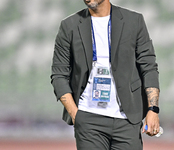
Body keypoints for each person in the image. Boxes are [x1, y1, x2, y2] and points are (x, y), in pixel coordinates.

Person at [51, 0, 160, 149]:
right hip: (88, 118)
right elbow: (59, 74)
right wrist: (76, 115)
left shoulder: (133, 21)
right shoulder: (69, 25)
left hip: (126, 119)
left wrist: (153, 109)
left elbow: (149, 68)